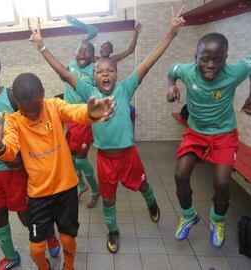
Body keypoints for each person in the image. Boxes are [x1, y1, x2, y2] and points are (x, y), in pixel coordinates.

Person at [29, 6, 186, 253]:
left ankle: (152, 204)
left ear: (116, 74)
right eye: (100, 71)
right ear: (93, 76)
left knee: (143, 186)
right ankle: (113, 231)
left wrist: (172, 33)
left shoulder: (125, 88)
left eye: (110, 70)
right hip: (105, 159)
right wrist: (41, 45)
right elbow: (62, 71)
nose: (106, 74)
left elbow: (149, 61)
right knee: (109, 198)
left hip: (129, 155)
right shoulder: (88, 91)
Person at [0, 72, 114, 269]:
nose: (33, 114)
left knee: (68, 240)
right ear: (16, 102)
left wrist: (90, 113)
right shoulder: (13, 120)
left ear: (43, 94)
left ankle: (68, 266)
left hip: (66, 189)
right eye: (27, 111)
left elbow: (74, 112)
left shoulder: (53, 106)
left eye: (36, 108)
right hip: (38, 195)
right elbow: (10, 150)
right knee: (36, 250)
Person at [0, 50, 60, 270]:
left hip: (17, 170)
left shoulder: (12, 98)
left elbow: (36, 127)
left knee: (27, 217)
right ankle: (10, 255)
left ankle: (50, 237)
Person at [166, 32, 251, 247]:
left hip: (224, 135)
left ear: (226, 58)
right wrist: (171, 87)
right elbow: (171, 72)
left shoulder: (234, 72)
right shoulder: (186, 71)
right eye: (205, 58)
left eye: (218, 59)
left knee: (222, 183)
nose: (211, 64)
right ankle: (188, 216)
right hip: (196, 133)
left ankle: (217, 221)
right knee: (180, 175)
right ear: (195, 58)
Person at [64, 40, 100, 208]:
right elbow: (58, 70)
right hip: (69, 118)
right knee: (70, 159)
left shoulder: (94, 71)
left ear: (93, 56)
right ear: (75, 53)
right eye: (80, 50)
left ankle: (95, 190)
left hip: (83, 118)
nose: (83, 53)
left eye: (88, 51)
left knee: (80, 160)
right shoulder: (69, 66)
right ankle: (81, 185)